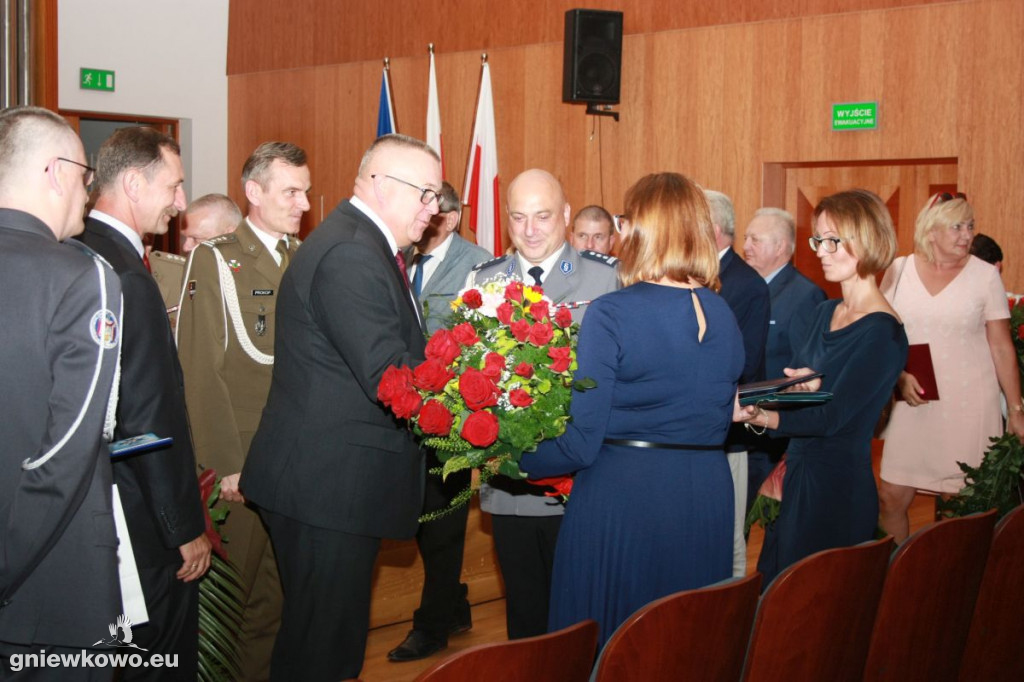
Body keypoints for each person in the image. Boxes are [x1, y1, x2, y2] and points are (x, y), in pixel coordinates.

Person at [239, 134, 440, 681]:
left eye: (437, 194)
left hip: (328, 486)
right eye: (425, 193)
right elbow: (390, 374)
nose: (434, 208)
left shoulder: (361, 244)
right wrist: (469, 391)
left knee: (320, 643)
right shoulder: (352, 251)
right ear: (378, 184)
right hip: (326, 490)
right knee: (322, 655)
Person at [520, 172, 743, 646]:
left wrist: (516, 456)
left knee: (612, 643)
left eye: (625, 221)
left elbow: (582, 442)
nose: (620, 232)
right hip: (706, 494)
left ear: (644, 230)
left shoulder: (614, 311)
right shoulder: (722, 311)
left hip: (626, 500)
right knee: (684, 645)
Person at [78, 126, 211, 679]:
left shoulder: (79, 250)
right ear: (133, 183)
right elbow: (147, 417)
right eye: (174, 187)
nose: (180, 203)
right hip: (139, 522)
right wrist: (180, 526)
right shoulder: (127, 276)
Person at [175, 142, 310, 680]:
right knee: (231, 604)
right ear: (254, 193)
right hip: (244, 466)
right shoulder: (216, 259)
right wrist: (225, 463)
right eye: (291, 191)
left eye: (304, 190)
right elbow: (200, 372)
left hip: (295, 463)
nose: (302, 203)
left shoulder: (304, 258)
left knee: (275, 603)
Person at [468, 168, 619, 640]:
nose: (530, 230)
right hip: (511, 478)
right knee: (525, 612)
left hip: (579, 483)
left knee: (578, 614)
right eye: (518, 217)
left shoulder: (606, 280)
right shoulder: (483, 281)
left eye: (543, 216)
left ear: (567, 216)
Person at [0, 106, 123, 680]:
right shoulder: (83, 276)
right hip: (49, 572)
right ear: (54, 172)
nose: (87, 189)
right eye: (84, 172)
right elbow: (68, 448)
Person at [734, 189, 908, 585]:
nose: (822, 251)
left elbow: (831, 416)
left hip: (836, 486)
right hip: (797, 472)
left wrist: (762, 413)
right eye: (819, 239)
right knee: (779, 597)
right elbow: (807, 389)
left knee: (820, 608)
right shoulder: (823, 312)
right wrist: (795, 389)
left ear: (866, 241)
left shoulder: (882, 333)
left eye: (833, 240)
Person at [878, 193, 1024, 542]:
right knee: (890, 496)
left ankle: (952, 584)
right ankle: (895, 574)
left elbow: (1002, 346)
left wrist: (1016, 409)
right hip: (914, 400)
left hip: (969, 405)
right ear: (930, 231)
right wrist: (898, 376)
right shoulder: (899, 270)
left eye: (970, 226)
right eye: (956, 226)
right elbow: (880, 333)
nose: (966, 235)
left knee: (958, 504)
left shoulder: (985, 275)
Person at [387, 181, 490, 663]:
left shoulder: (480, 264)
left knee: (442, 523)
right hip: (401, 411)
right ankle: (455, 602)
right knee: (416, 518)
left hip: (452, 416)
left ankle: (431, 626)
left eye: (431, 211)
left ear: (448, 219)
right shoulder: (398, 255)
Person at [742, 207, 827, 506]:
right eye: (745, 237)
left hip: (774, 435)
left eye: (755, 239)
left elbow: (806, 370)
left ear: (780, 246)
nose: (745, 246)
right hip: (745, 424)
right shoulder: (746, 288)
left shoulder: (805, 296)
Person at [705, 189, 770, 577]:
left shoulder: (745, 284)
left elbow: (744, 364)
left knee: (727, 536)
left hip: (727, 432)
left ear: (711, 229)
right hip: (696, 432)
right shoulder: (696, 274)